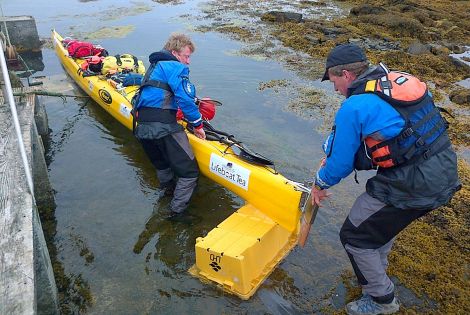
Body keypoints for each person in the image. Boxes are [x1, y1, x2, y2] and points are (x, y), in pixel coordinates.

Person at [312, 43, 461, 315]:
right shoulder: (393, 83)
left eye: (333, 81)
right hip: (444, 168)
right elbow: (402, 136)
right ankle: (377, 270)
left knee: (354, 235)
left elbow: (340, 165)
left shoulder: (355, 106)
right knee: (377, 224)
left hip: (413, 182)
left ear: (346, 75)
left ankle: (382, 300)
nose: (334, 89)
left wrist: (319, 183)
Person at [133, 33, 205, 219]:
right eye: (186, 56)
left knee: (163, 164)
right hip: (163, 126)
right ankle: (176, 212)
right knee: (189, 173)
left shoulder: (154, 67)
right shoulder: (175, 66)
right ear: (174, 53)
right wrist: (197, 125)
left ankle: (168, 192)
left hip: (142, 127)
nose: (188, 62)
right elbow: (184, 98)